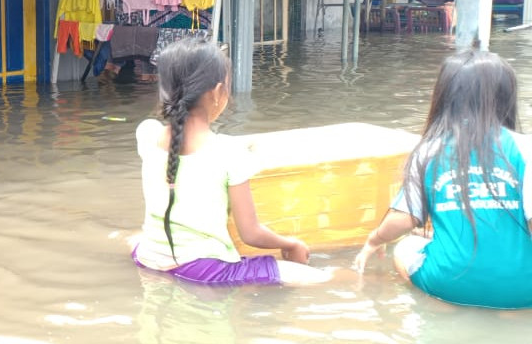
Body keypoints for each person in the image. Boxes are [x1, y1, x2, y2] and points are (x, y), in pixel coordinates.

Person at [130, 37, 328, 286]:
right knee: (326, 278)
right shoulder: (229, 153)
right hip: (204, 270)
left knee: (132, 237)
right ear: (216, 93)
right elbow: (251, 233)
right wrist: (291, 244)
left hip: (147, 256)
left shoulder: (147, 134)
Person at [354, 50, 532, 309]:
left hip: (449, 286)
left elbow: (403, 220)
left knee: (405, 247)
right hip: (524, 290)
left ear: (444, 97)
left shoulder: (428, 150)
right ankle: (511, 313)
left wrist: (374, 240)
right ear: (505, 97)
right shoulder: (525, 149)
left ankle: (444, 306)